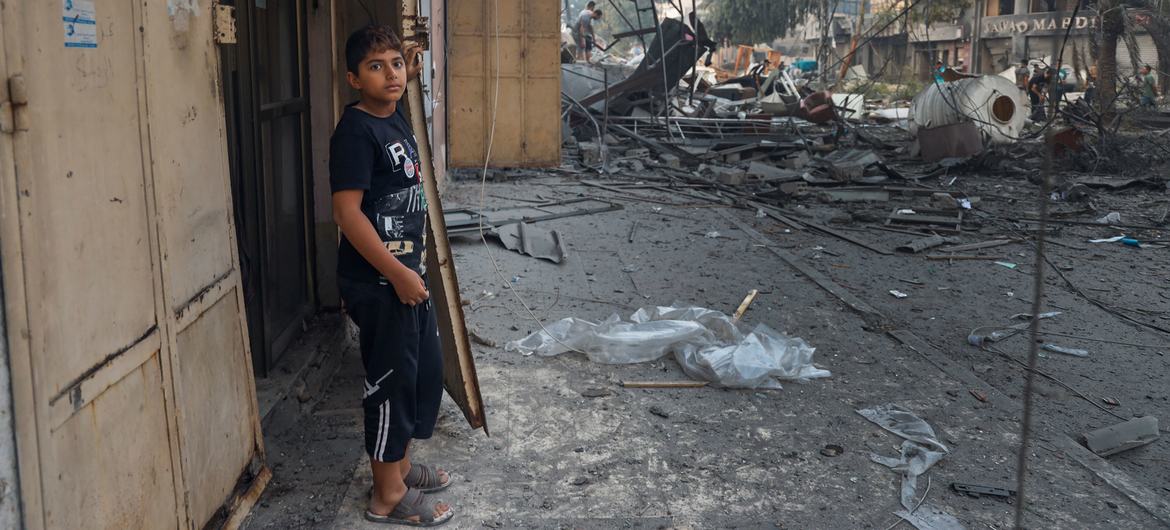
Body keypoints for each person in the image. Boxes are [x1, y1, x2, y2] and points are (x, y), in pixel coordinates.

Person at [329, 25, 454, 526]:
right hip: (381, 282)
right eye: (375, 67)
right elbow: (347, 213)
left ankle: (398, 467)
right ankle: (387, 495)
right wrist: (397, 274)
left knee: (420, 373)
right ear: (353, 79)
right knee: (389, 386)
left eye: (396, 64)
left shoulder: (394, 116)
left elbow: (407, 70)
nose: (391, 74)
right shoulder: (356, 132)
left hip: (406, 277)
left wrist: (410, 274)